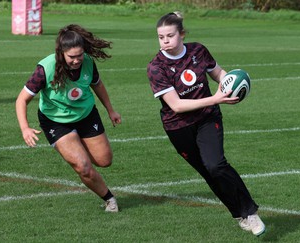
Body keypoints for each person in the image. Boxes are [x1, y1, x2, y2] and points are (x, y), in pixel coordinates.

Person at [147, 12, 265, 236]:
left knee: (216, 165)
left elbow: (218, 72)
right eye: (160, 37)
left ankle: (250, 211)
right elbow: (177, 106)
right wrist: (217, 98)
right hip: (178, 126)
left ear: (182, 34)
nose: (165, 41)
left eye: (170, 36)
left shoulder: (198, 51)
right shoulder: (156, 67)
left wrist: (229, 84)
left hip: (207, 118)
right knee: (208, 173)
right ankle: (240, 215)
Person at [16, 24, 121, 212]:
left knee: (105, 160)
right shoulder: (45, 68)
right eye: (72, 57)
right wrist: (25, 128)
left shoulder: (88, 62)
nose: (76, 60)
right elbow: (21, 100)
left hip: (86, 115)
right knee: (83, 167)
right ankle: (109, 199)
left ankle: (78, 146)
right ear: (62, 53)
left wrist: (110, 110)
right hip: (55, 121)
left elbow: (97, 85)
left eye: (79, 55)